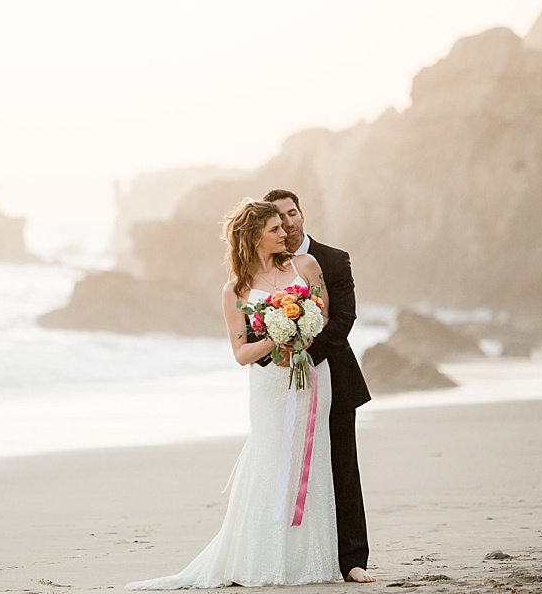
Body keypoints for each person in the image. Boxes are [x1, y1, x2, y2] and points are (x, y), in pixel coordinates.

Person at [126, 199, 338, 589]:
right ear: (254, 236)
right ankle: (263, 559)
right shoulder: (235, 290)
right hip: (269, 386)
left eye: (283, 226)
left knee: (312, 460)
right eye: (274, 228)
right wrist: (276, 337)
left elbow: (323, 316)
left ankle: (309, 562)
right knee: (270, 461)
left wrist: (303, 334)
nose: (284, 233)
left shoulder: (305, 267)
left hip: (311, 377)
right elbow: (241, 353)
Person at [263, 188, 374, 583]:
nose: (287, 223)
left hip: (335, 379)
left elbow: (344, 319)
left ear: (302, 214)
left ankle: (352, 560)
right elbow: (256, 323)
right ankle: (294, 556)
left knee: (342, 469)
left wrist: (307, 356)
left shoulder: (333, 259)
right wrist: (277, 357)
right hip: (282, 387)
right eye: (278, 218)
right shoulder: (265, 267)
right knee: (286, 471)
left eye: (292, 214)